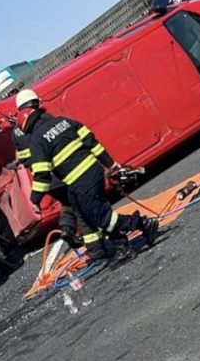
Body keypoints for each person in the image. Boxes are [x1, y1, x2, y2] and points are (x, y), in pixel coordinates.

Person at [15, 88, 158, 253]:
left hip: (79, 181)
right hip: (94, 173)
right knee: (91, 214)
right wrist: (111, 164)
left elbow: (42, 176)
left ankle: (141, 223)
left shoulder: (37, 140)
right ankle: (121, 245)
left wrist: (35, 200)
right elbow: (92, 143)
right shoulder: (64, 121)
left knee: (102, 218)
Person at [11, 120, 105, 257]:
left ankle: (67, 229)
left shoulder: (15, 133)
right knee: (80, 209)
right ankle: (95, 248)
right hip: (57, 173)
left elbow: (25, 158)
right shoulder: (40, 125)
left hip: (43, 178)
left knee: (68, 203)